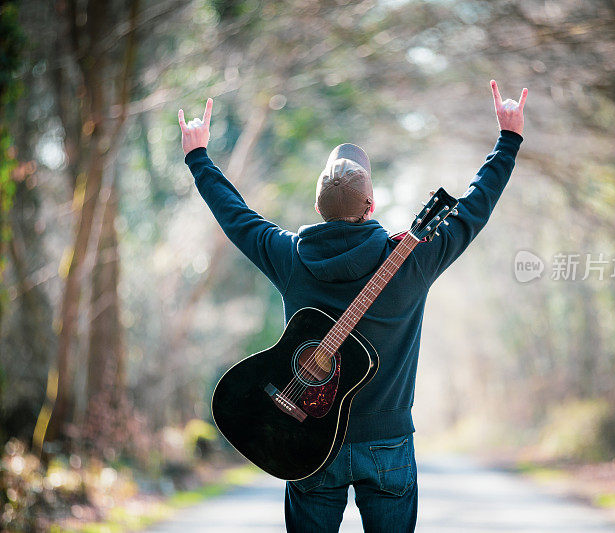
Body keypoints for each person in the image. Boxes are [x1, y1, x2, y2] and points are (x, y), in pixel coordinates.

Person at [178, 79, 527, 533]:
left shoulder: (289, 257)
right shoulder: (413, 260)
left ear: (317, 206)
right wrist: (508, 138)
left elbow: (236, 216)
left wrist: (198, 156)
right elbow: (474, 208)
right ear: (372, 204)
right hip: (387, 441)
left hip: (306, 436)